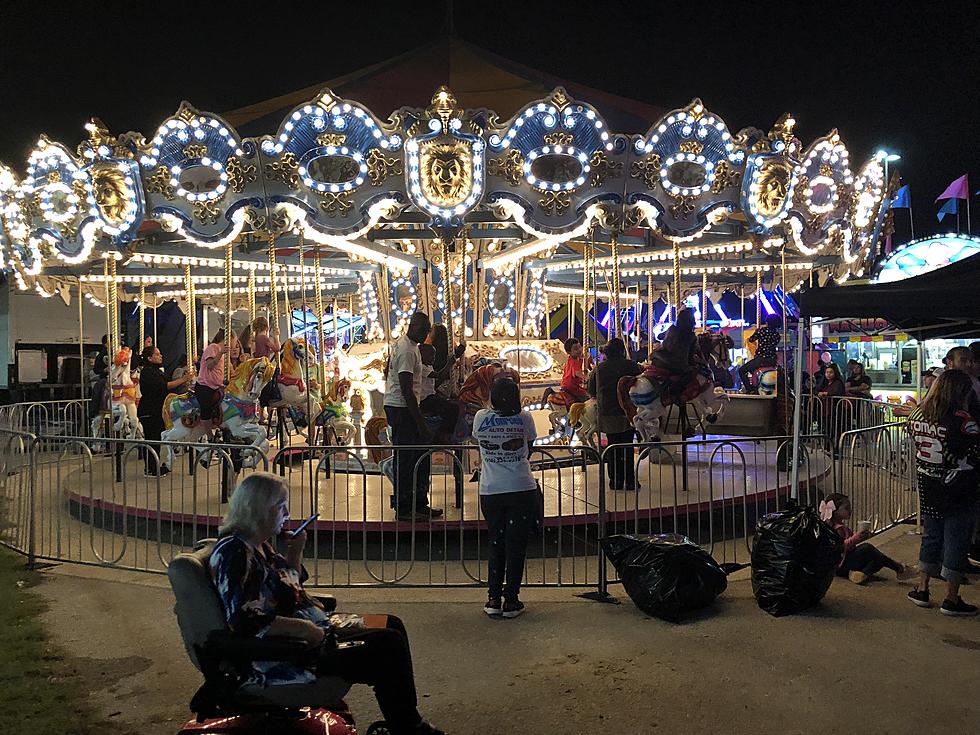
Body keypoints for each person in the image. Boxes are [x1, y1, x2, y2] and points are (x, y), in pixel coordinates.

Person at [209, 473, 443, 735]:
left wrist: (295, 553)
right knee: (388, 643)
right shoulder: (235, 552)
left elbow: (289, 587)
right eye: (280, 505)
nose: (286, 512)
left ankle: (405, 721)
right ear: (258, 508)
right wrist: (305, 630)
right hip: (284, 652)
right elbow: (245, 621)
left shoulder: (258, 545)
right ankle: (408, 726)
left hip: (312, 629)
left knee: (391, 623)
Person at [906, 369, 980, 616]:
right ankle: (951, 597)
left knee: (931, 535)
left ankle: (923, 588)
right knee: (956, 540)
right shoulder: (963, 421)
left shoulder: (918, 415)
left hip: (929, 484)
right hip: (959, 487)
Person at [473, 377, 537, 618]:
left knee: (496, 542)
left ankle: (493, 598)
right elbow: (529, 446)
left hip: (491, 489)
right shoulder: (525, 417)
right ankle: (511, 599)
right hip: (521, 486)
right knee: (516, 545)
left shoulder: (480, 417)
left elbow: (477, 439)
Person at [384, 311, 441, 522]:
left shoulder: (407, 346)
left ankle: (419, 503)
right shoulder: (408, 350)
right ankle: (405, 507)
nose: (427, 335)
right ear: (415, 327)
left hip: (400, 406)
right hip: (402, 408)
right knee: (407, 458)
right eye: (425, 330)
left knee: (417, 455)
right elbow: (406, 387)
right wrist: (420, 422)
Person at [819, 493, 915, 584]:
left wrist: (861, 537)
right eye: (846, 508)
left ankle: (859, 574)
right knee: (868, 549)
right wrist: (856, 538)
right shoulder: (836, 529)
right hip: (841, 564)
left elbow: (851, 546)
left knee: (877, 557)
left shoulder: (839, 527)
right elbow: (840, 547)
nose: (850, 511)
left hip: (843, 564)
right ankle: (899, 568)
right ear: (835, 512)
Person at [588, 338, 642, 491]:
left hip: (608, 412)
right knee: (627, 447)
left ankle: (615, 481)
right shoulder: (632, 366)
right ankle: (630, 480)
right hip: (627, 411)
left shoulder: (599, 369)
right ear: (622, 351)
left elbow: (591, 390)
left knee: (612, 447)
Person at [138, 345, 193, 476]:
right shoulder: (148, 372)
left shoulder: (156, 371)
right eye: (157, 354)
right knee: (153, 439)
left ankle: (157, 464)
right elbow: (164, 386)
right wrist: (183, 379)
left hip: (158, 409)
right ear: (149, 358)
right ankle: (151, 468)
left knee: (158, 438)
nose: (160, 356)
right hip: (150, 410)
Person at [418, 342, 464, 441]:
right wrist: (450, 363)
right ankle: (443, 435)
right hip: (424, 400)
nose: (433, 358)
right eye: (430, 355)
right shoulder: (421, 367)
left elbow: (435, 384)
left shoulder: (428, 367)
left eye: (434, 355)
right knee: (453, 409)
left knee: (453, 403)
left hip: (430, 396)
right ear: (421, 355)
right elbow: (439, 375)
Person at [738, 315, 781, 392]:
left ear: (767, 322)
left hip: (761, 359)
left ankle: (749, 389)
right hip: (772, 359)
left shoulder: (762, 331)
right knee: (752, 370)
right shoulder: (777, 335)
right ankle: (756, 385)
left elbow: (751, 339)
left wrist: (756, 332)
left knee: (741, 370)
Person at [195, 329, 227, 423]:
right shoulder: (213, 347)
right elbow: (210, 365)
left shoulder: (224, 354)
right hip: (205, 386)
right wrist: (220, 353)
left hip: (217, 387)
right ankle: (208, 435)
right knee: (206, 411)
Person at [559, 338, 590, 403]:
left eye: (579, 347)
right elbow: (577, 373)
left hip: (567, 386)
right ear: (569, 352)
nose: (579, 350)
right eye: (576, 349)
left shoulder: (571, 359)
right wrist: (587, 378)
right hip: (571, 388)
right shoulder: (574, 362)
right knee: (588, 399)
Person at [89, 334, 110, 419]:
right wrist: (104, 370)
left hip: (117, 377)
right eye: (112, 342)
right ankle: (94, 409)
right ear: (106, 344)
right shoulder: (101, 355)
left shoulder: (118, 354)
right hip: (105, 377)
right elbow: (96, 370)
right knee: (100, 386)